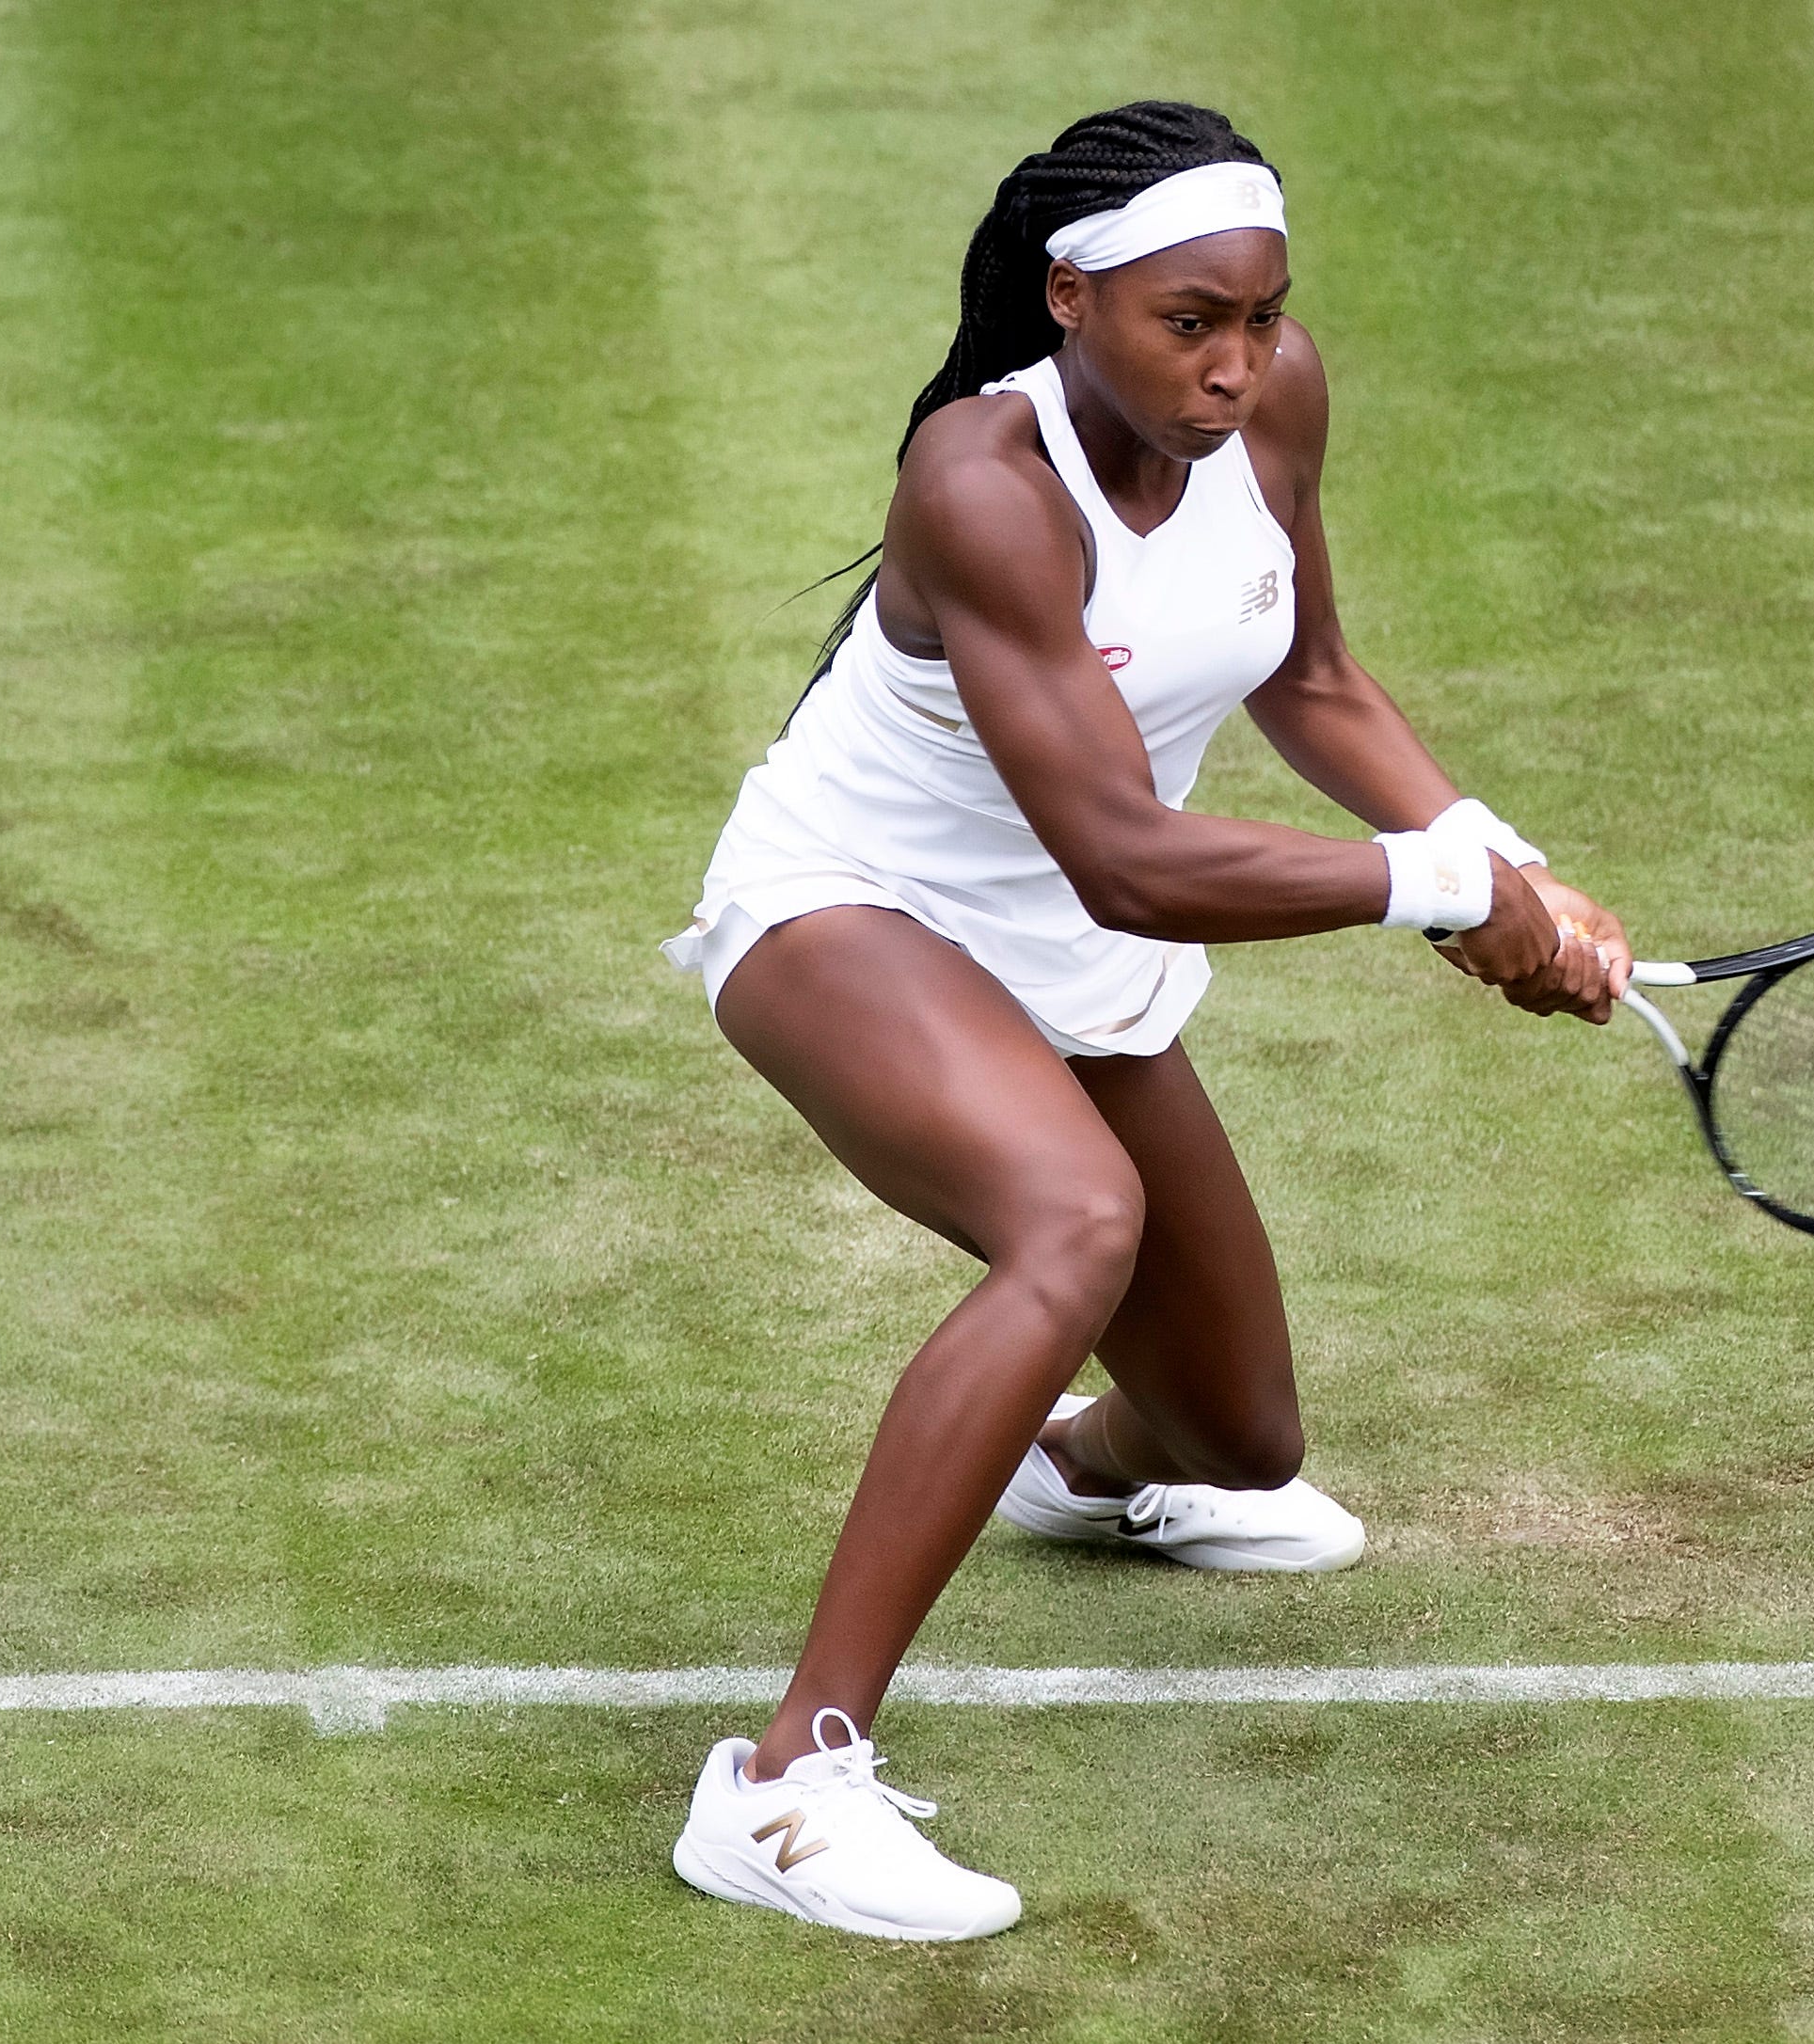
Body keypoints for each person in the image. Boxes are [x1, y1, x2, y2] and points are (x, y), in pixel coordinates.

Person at [660, 101, 1632, 1941]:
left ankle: (1058, 1453)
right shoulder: (981, 487)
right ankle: (787, 1782)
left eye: (1261, 315)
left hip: (1070, 962)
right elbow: (1124, 854)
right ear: (1071, 297)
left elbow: (1317, 675)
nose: (1238, 360)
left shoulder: (1273, 408)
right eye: (1193, 319)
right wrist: (1431, 894)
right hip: (851, 915)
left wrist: (1497, 860)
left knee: (1239, 1440)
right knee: (1075, 1217)